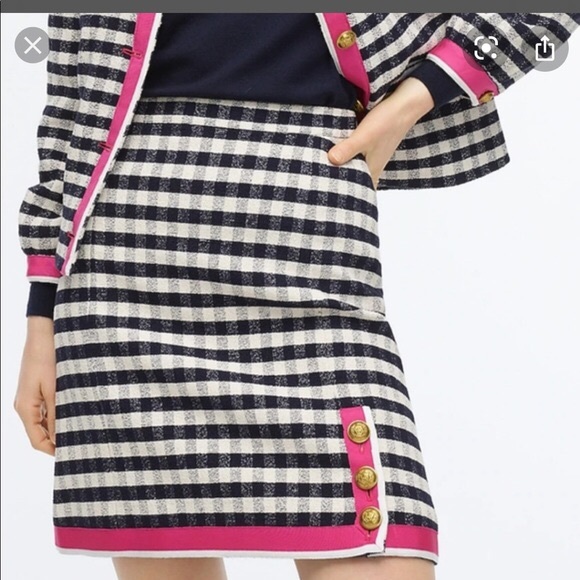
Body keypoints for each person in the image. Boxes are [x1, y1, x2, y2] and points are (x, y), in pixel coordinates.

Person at [14, 12, 579, 580]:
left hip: (314, 210)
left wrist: (423, 92)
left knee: (385, 546)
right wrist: (43, 316)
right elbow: (68, 101)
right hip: (124, 249)